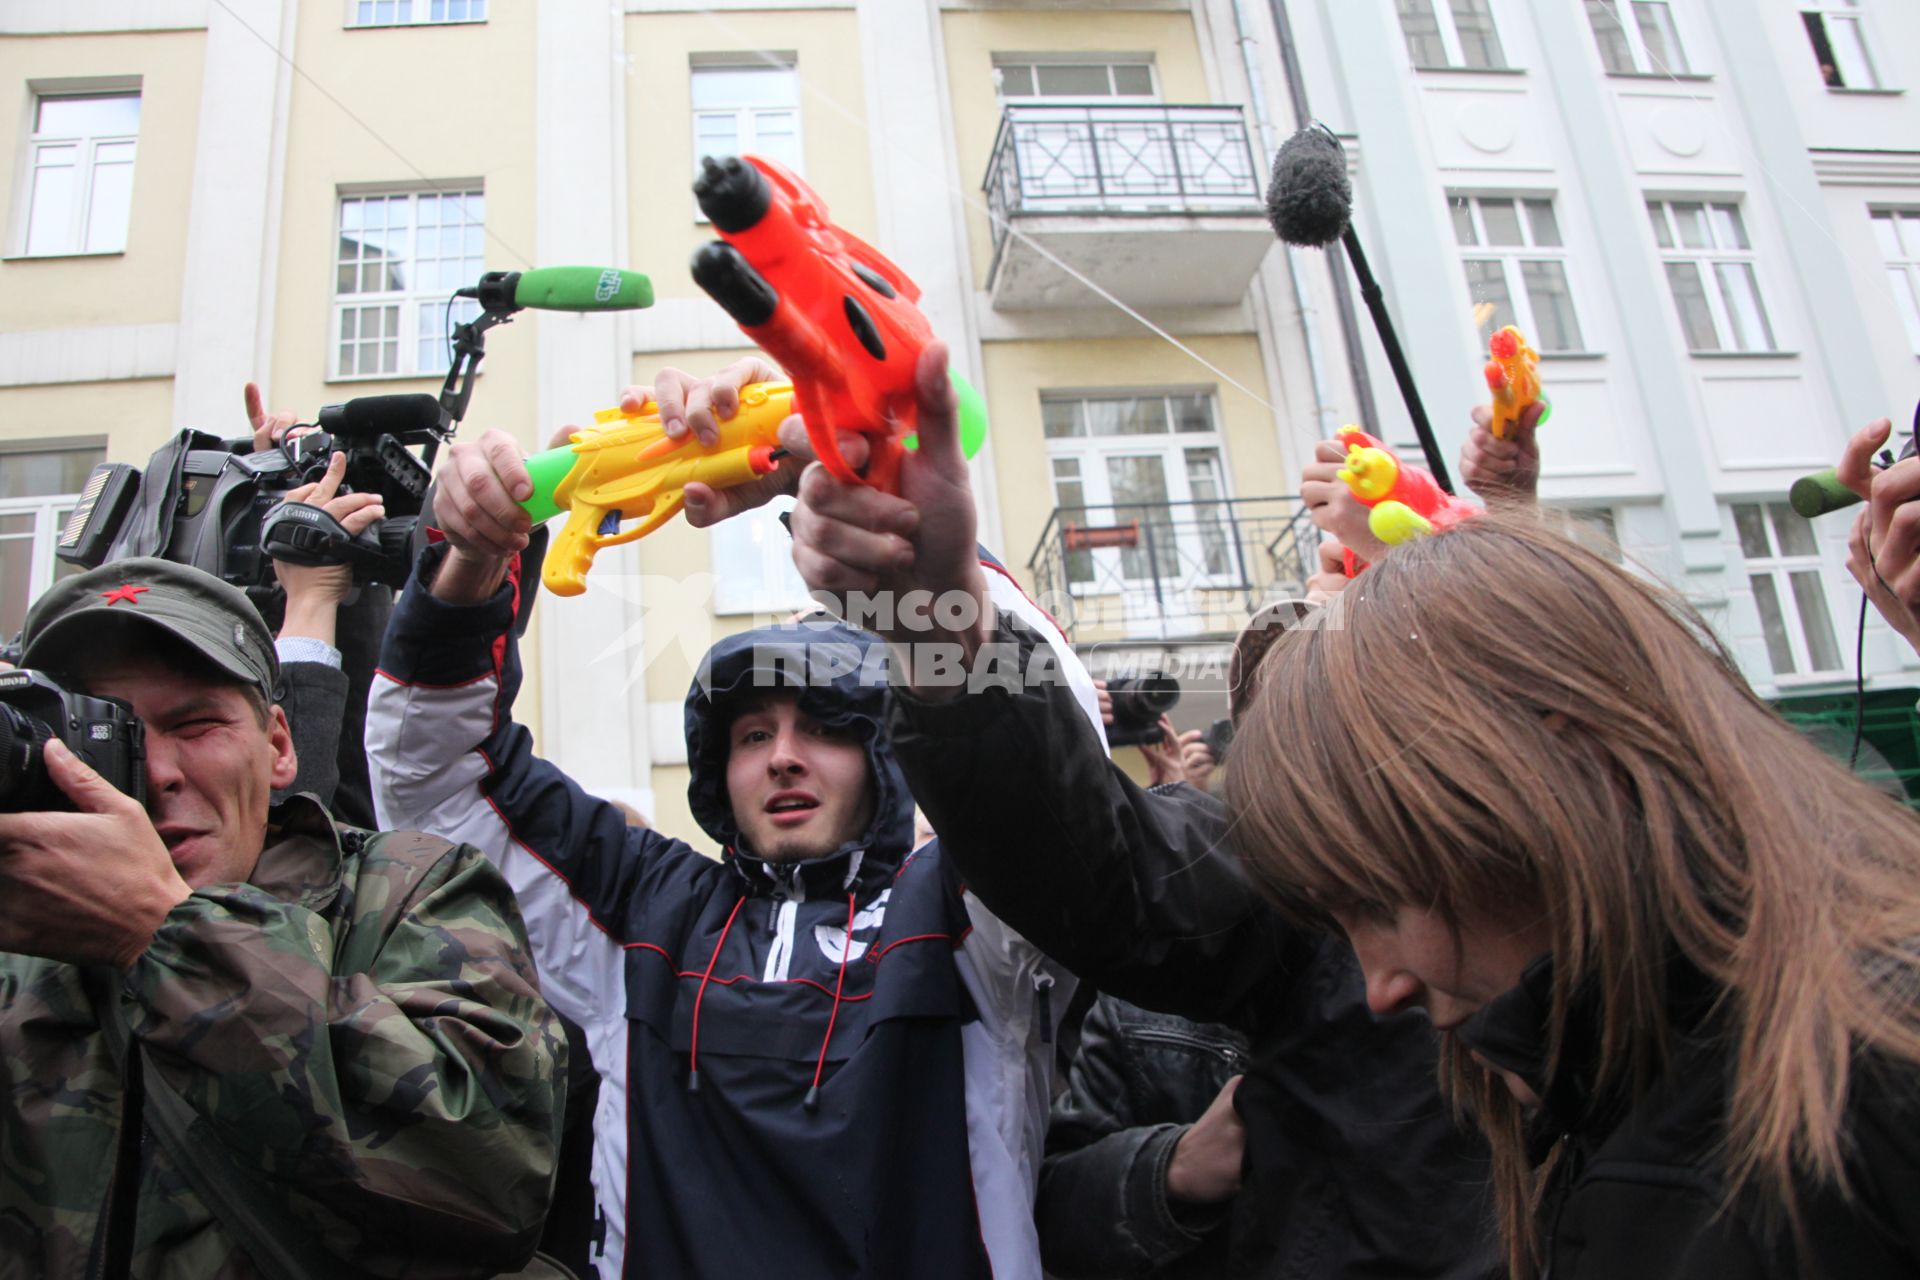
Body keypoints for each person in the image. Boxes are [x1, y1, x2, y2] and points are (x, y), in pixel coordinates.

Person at [364, 366, 1094, 1279]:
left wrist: (841, 489)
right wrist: (470, 562)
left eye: (825, 726)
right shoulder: (643, 911)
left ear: (883, 754)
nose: (784, 756)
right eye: (754, 733)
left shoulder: (965, 922)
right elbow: (434, 782)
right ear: (720, 770)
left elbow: (1055, 762)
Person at [787, 343, 1497, 1279]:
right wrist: (942, 625)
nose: (1389, 980)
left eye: (1359, 601)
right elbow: (1104, 872)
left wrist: (1501, 543)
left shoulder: (1668, 886)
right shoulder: (1290, 866)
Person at [1224, 511, 1920, 1280]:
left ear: (1570, 770)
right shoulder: (1654, 1106)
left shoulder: (1858, 1102)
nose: (1381, 986)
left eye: (1382, 901)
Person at [0, 557, 564, 1277]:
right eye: (112, 733)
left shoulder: (408, 890)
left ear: (277, 745)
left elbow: (496, 1177)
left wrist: (163, 935)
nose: (161, 772)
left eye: (195, 724)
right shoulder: (19, 941)